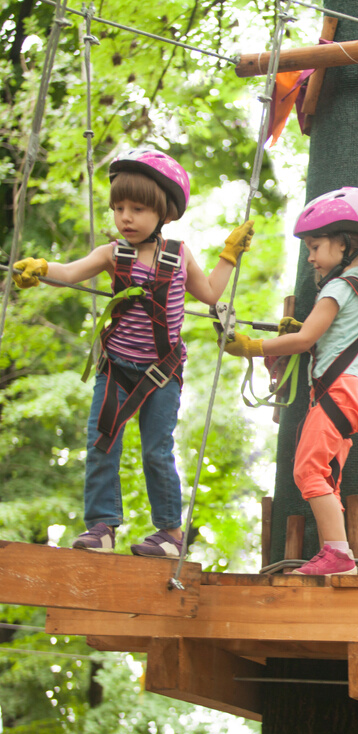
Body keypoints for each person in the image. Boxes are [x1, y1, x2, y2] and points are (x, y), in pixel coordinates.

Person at [11, 147, 254, 560]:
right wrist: (41, 269)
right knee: (102, 442)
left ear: (164, 215)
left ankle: (170, 535)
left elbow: (211, 295)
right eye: (119, 207)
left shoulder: (179, 256)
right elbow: (69, 273)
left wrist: (229, 256)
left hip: (162, 373)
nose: (126, 217)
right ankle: (102, 527)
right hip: (117, 370)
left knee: (157, 449)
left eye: (138, 209)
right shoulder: (111, 254)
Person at [222, 187, 358, 576]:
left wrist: (250, 346)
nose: (311, 257)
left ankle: (338, 555)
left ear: (345, 243)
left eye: (315, 246)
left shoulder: (336, 288)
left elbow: (304, 340)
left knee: (307, 472)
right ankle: (336, 552)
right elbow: (323, 336)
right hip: (349, 395)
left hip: (339, 393)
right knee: (325, 476)